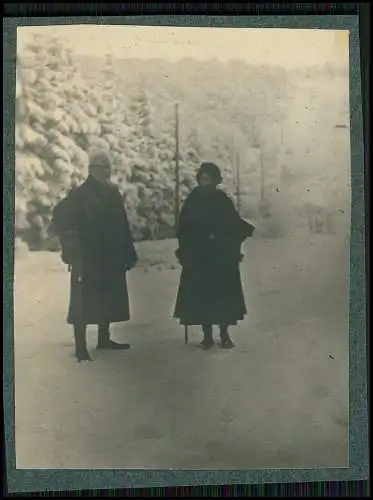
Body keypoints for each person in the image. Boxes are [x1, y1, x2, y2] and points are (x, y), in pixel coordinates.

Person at [51, 149, 138, 362]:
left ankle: (103, 339)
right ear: (92, 170)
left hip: (110, 257)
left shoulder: (113, 193)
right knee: (83, 301)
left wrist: (128, 252)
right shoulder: (79, 194)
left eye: (108, 168)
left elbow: (122, 225)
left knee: (107, 297)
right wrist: (71, 248)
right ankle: (81, 347)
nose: (107, 172)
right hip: (87, 258)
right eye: (102, 168)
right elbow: (60, 220)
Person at [174, 162, 255, 350]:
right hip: (199, 257)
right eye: (202, 178)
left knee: (222, 296)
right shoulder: (193, 200)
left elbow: (232, 223)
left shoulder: (222, 199)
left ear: (215, 180)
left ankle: (224, 334)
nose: (205, 182)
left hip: (220, 257)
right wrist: (186, 248)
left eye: (208, 178)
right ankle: (207, 335)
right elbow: (183, 227)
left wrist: (232, 238)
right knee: (203, 296)